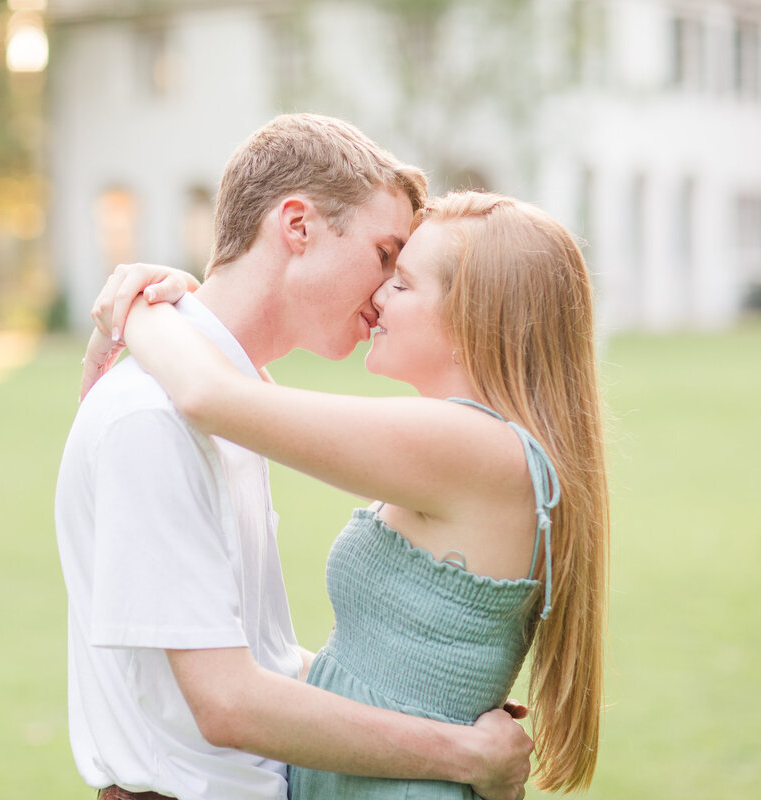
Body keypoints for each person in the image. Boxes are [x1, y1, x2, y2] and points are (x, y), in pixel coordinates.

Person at [55, 113, 534, 800]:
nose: (382, 297)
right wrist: (462, 753)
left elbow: (264, 664)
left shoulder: (236, 404)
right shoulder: (153, 417)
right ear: (299, 227)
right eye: (383, 254)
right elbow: (227, 703)